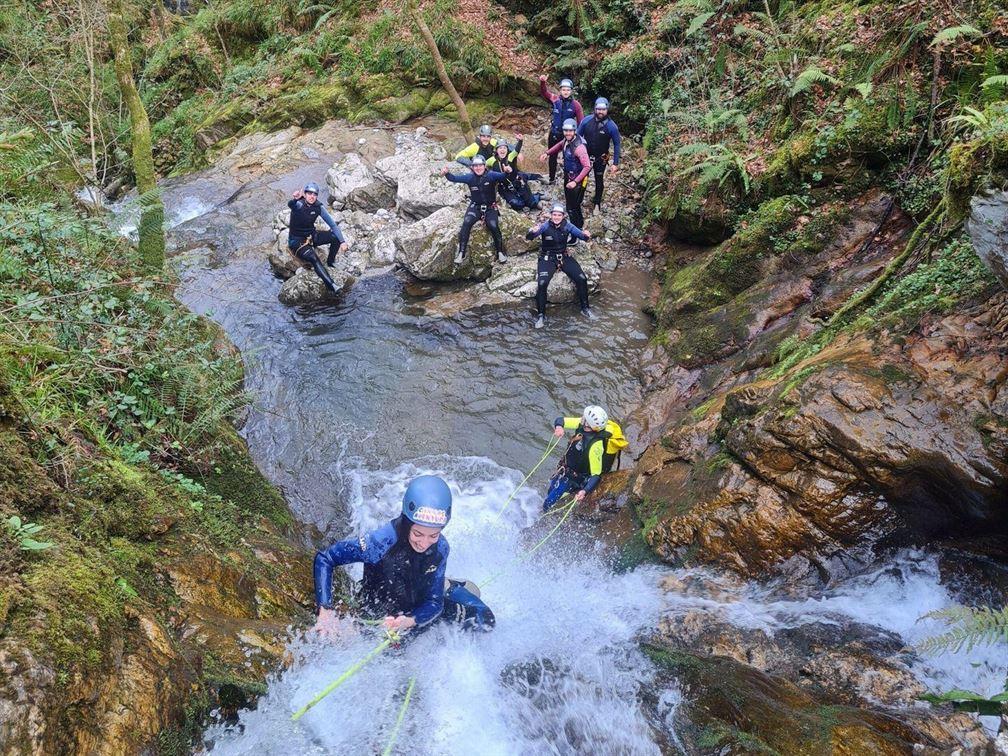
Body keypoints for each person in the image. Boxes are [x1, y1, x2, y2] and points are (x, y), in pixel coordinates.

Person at [314, 475, 495, 635]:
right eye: (418, 534)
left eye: (433, 535)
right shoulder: (379, 543)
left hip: (418, 609)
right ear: (407, 523)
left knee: (486, 621)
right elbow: (326, 559)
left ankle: (451, 587)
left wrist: (410, 621)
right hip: (381, 611)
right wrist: (326, 609)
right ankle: (444, 584)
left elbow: (434, 603)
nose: (424, 543)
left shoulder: (440, 548)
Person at [543, 406, 627, 512]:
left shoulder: (595, 446)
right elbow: (560, 420)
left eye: (584, 417)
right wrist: (559, 427)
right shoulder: (582, 425)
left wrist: (584, 491)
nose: (582, 417)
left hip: (573, 479)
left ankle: (544, 512)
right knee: (551, 488)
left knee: (549, 502)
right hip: (564, 470)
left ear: (588, 424)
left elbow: (596, 475)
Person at [526, 203, 592, 328]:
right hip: (547, 258)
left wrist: (587, 235)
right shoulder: (545, 226)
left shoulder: (568, 225)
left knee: (582, 278)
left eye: (559, 215)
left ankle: (585, 308)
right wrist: (531, 231)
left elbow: (582, 236)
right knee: (542, 283)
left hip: (564, 256)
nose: (556, 217)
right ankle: (541, 315)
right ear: (551, 215)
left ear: (563, 216)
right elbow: (530, 237)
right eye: (554, 215)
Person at [440, 155, 508, 265]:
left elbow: (504, 177)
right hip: (475, 206)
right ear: (472, 167)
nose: (478, 168)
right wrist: (446, 173)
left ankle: (500, 252)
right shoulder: (469, 178)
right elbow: (454, 178)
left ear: (484, 166)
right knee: (466, 222)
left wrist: (507, 171)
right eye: (475, 166)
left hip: (490, 207)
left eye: (480, 165)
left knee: (493, 225)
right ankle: (461, 253)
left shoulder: (491, 175)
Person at [287, 182, 348, 293]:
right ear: (304, 194)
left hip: (311, 236)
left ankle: (330, 262)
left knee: (335, 237)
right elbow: (291, 205)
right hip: (297, 242)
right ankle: (332, 286)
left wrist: (342, 241)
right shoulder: (299, 205)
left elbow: (333, 225)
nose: (312, 196)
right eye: (309, 193)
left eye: (315, 194)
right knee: (314, 258)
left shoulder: (318, 207)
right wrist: (295, 199)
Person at [539, 118, 591, 237]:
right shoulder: (567, 140)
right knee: (571, 205)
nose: (567, 133)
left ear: (575, 131)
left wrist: (575, 182)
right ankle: (579, 226)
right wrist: (547, 153)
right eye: (565, 130)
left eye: (570, 131)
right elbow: (559, 145)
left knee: (573, 207)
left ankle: (576, 233)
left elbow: (587, 166)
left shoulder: (579, 147)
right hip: (569, 176)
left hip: (577, 180)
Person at [576, 98, 622, 214]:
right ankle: (578, 200)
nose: (600, 111)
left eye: (603, 109)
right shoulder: (586, 121)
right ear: (595, 109)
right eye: (598, 109)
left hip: (601, 157)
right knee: (582, 177)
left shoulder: (612, 126)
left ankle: (597, 203)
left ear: (607, 110)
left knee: (599, 180)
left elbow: (617, 144)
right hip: (585, 155)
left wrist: (615, 163)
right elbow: (577, 137)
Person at [538, 75, 584, 185]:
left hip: (567, 136)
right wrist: (542, 82)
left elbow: (581, 123)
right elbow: (545, 93)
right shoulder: (555, 99)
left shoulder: (576, 105)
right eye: (564, 90)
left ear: (571, 91)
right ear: (560, 90)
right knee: (552, 157)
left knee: (568, 158)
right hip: (554, 133)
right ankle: (552, 179)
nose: (566, 92)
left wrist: (578, 137)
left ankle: (569, 180)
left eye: (568, 90)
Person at [487, 134, 543, 212]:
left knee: (532, 203)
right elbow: (483, 165)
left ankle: (537, 196)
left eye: (504, 148)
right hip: (505, 188)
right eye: (500, 148)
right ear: (496, 150)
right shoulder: (492, 160)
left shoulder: (510, 156)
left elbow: (516, 150)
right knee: (517, 204)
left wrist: (520, 141)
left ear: (507, 149)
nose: (502, 150)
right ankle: (523, 204)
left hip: (517, 182)